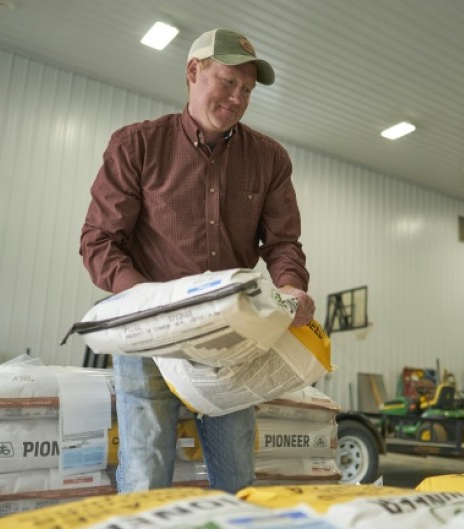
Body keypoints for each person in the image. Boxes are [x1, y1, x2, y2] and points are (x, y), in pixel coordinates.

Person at [79, 28, 314, 494]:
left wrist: (290, 286)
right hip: (151, 333)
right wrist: (149, 300)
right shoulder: (137, 146)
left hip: (231, 338)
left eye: (246, 90)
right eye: (228, 82)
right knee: (146, 472)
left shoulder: (269, 159)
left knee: (236, 479)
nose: (237, 98)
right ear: (193, 72)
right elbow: (99, 241)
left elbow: (284, 243)